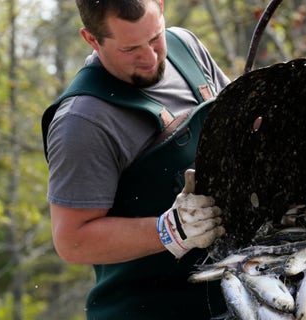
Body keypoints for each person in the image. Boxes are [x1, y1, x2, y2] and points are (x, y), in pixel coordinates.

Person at [41, 0, 230, 318]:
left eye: (155, 37)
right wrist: (170, 230)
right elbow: (71, 241)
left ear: (160, 4)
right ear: (91, 39)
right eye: (130, 50)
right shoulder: (83, 121)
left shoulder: (187, 47)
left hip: (237, 291)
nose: (150, 57)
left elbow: (243, 128)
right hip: (149, 309)